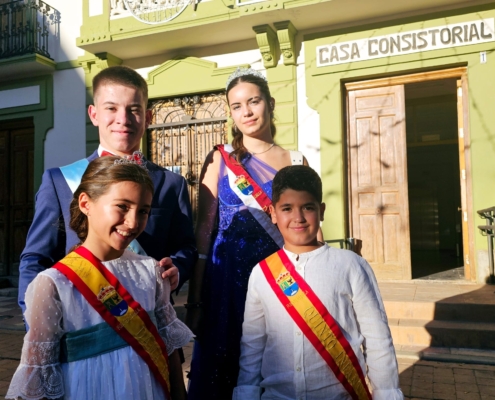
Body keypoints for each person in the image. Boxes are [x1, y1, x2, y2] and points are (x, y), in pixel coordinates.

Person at [6, 156, 194, 400]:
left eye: (144, 210)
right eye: (122, 206)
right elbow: (39, 377)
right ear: (85, 203)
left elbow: (169, 351)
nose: (133, 222)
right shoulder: (55, 283)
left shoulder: (150, 272)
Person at [18, 65, 197, 315]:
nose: (123, 119)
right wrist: (35, 319)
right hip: (79, 318)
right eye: (111, 108)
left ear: (148, 117)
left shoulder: (171, 183)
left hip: (147, 323)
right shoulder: (60, 181)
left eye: (133, 110)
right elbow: (36, 258)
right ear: (94, 114)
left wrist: (178, 266)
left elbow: (186, 246)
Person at [186, 67, 309, 399]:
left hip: (276, 282)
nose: (247, 112)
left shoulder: (295, 161)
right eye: (237, 106)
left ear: (269, 103)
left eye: (253, 101)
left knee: (274, 370)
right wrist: (195, 299)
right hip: (223, 285)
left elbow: (306, 232)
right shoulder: (220, 159)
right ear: (230, 113)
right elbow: (204, 232)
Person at [233, 165, 404, 400]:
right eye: (287, 208)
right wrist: (246, 394)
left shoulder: (351, 266)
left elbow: (377, 339)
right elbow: (253, 344)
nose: (298, 218)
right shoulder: (261, 273)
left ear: (321, 211)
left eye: (308, 208)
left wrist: (386, 394)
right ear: (273, 213)